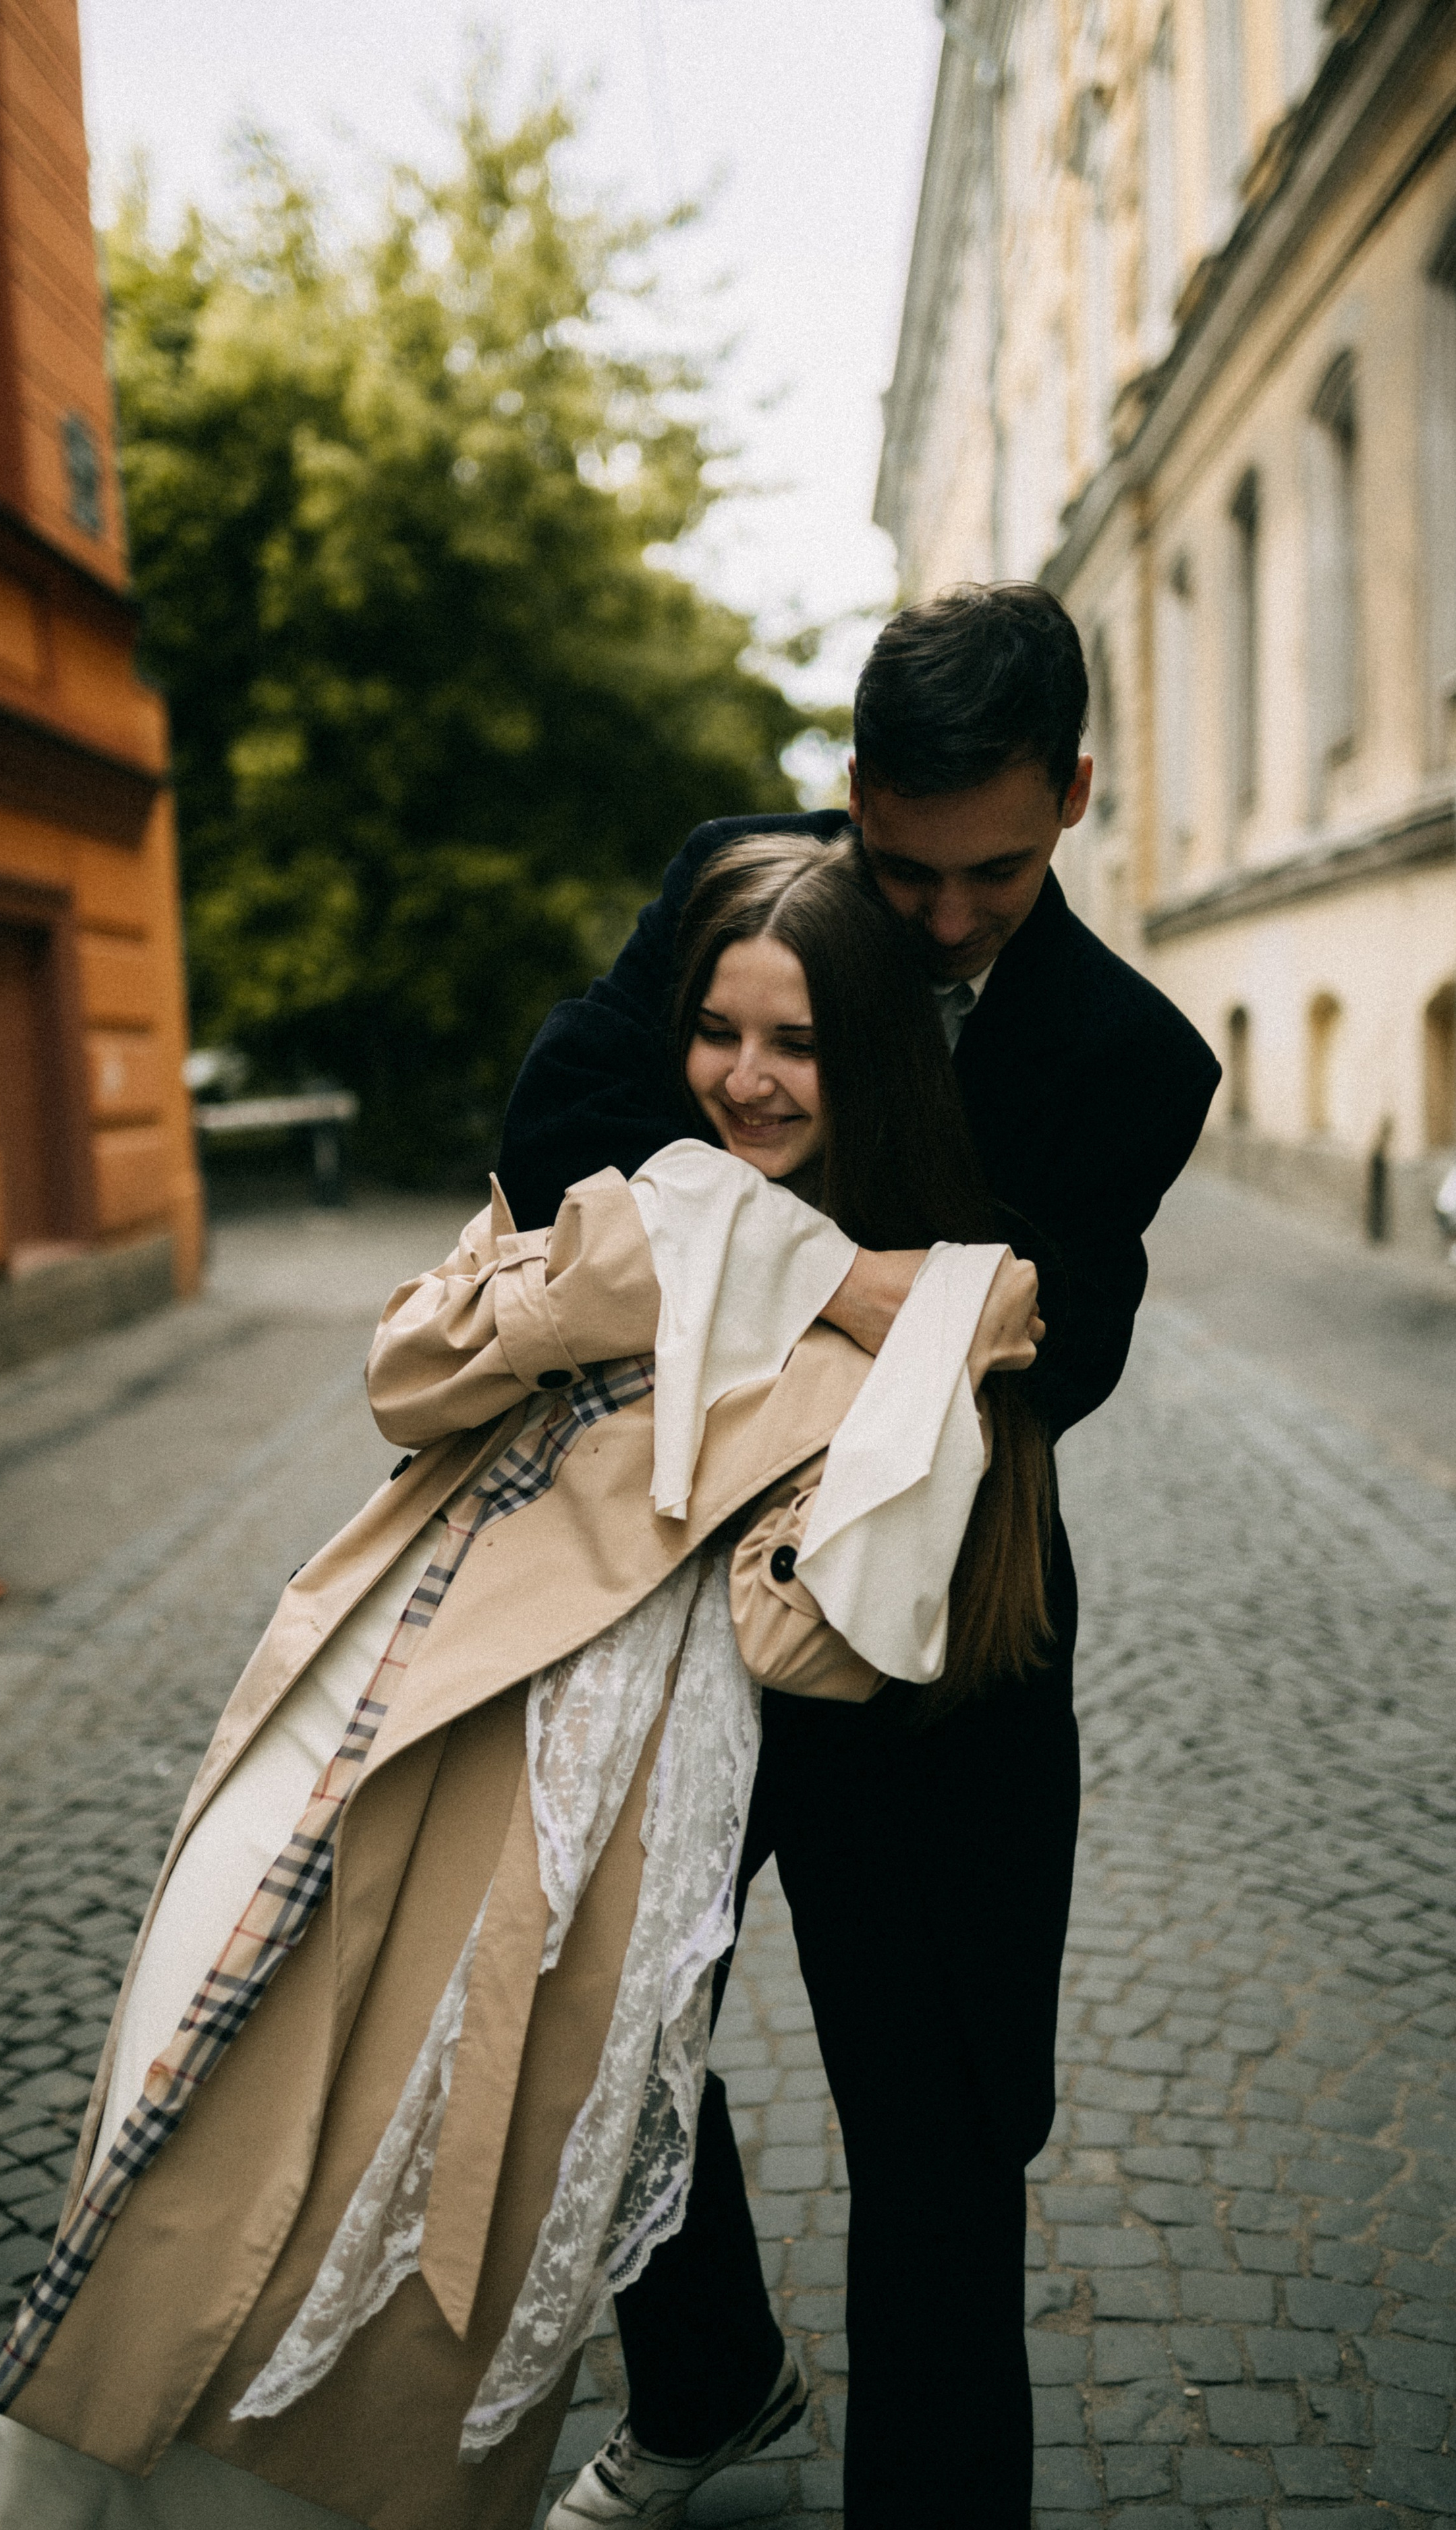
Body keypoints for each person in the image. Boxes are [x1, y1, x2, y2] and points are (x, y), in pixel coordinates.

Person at [0, 837, 1044, 2530]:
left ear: (872, 1065)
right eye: (718, 1031)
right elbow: (409, 1370)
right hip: (360, 1716)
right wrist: (676, 1251)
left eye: (800, 1045)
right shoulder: (628, 1193)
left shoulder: (888, 1342)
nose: (745, 1082)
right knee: (181, 2105)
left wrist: (871, 1360)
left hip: (554, 1826)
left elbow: (817, 1641)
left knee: (405, 2239)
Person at [511, 587, 1223, 2530]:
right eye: (900, 868)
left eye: (991, 868)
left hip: (941, 1650)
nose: (935, 919)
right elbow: (550, 1133)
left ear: (1073, 793)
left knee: (942, 2141)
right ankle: (715, 2372)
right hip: (672, 1605)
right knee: (590, 2014)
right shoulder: (739, 893)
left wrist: (747, 1259)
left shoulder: (1130, 1059)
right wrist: (879, 1283)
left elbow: (1052, 1363)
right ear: (848, 799)